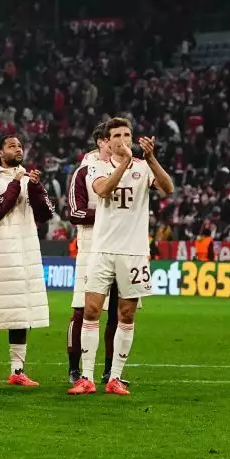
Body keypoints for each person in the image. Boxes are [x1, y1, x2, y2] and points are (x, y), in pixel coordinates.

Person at [69, 117, 175, 396]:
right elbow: (103, 190)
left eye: (127, 134)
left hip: (135, 251)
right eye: (117, 135)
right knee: (91, 311)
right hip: (102, 249)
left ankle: (116, 377)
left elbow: (168, 188)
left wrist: (151, 159)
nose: (123, 139)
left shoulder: (143, 167)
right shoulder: (95, 166)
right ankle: (86, 377)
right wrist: (126, 163)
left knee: (126, 315)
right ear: (107, 140)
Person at [0, 135, 53, 387]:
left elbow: (46, 214)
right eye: (12, 146)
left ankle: (17, 371)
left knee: (20, 312)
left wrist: (36, 187)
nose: (18, 149)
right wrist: (16, 185)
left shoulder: (26, 179)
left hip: (24, 253)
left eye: (19, 145)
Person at [66, 124, 125, 385]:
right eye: (114, 138)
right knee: (83, 311)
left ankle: (110, 370)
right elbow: (75, 213)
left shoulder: (128, 168)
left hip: (122, 246)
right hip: (90, 247)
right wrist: (107, 215)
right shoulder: (83, 172)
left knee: (117, 313)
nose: (120, 142)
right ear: (102, 142)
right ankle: (73, 368)